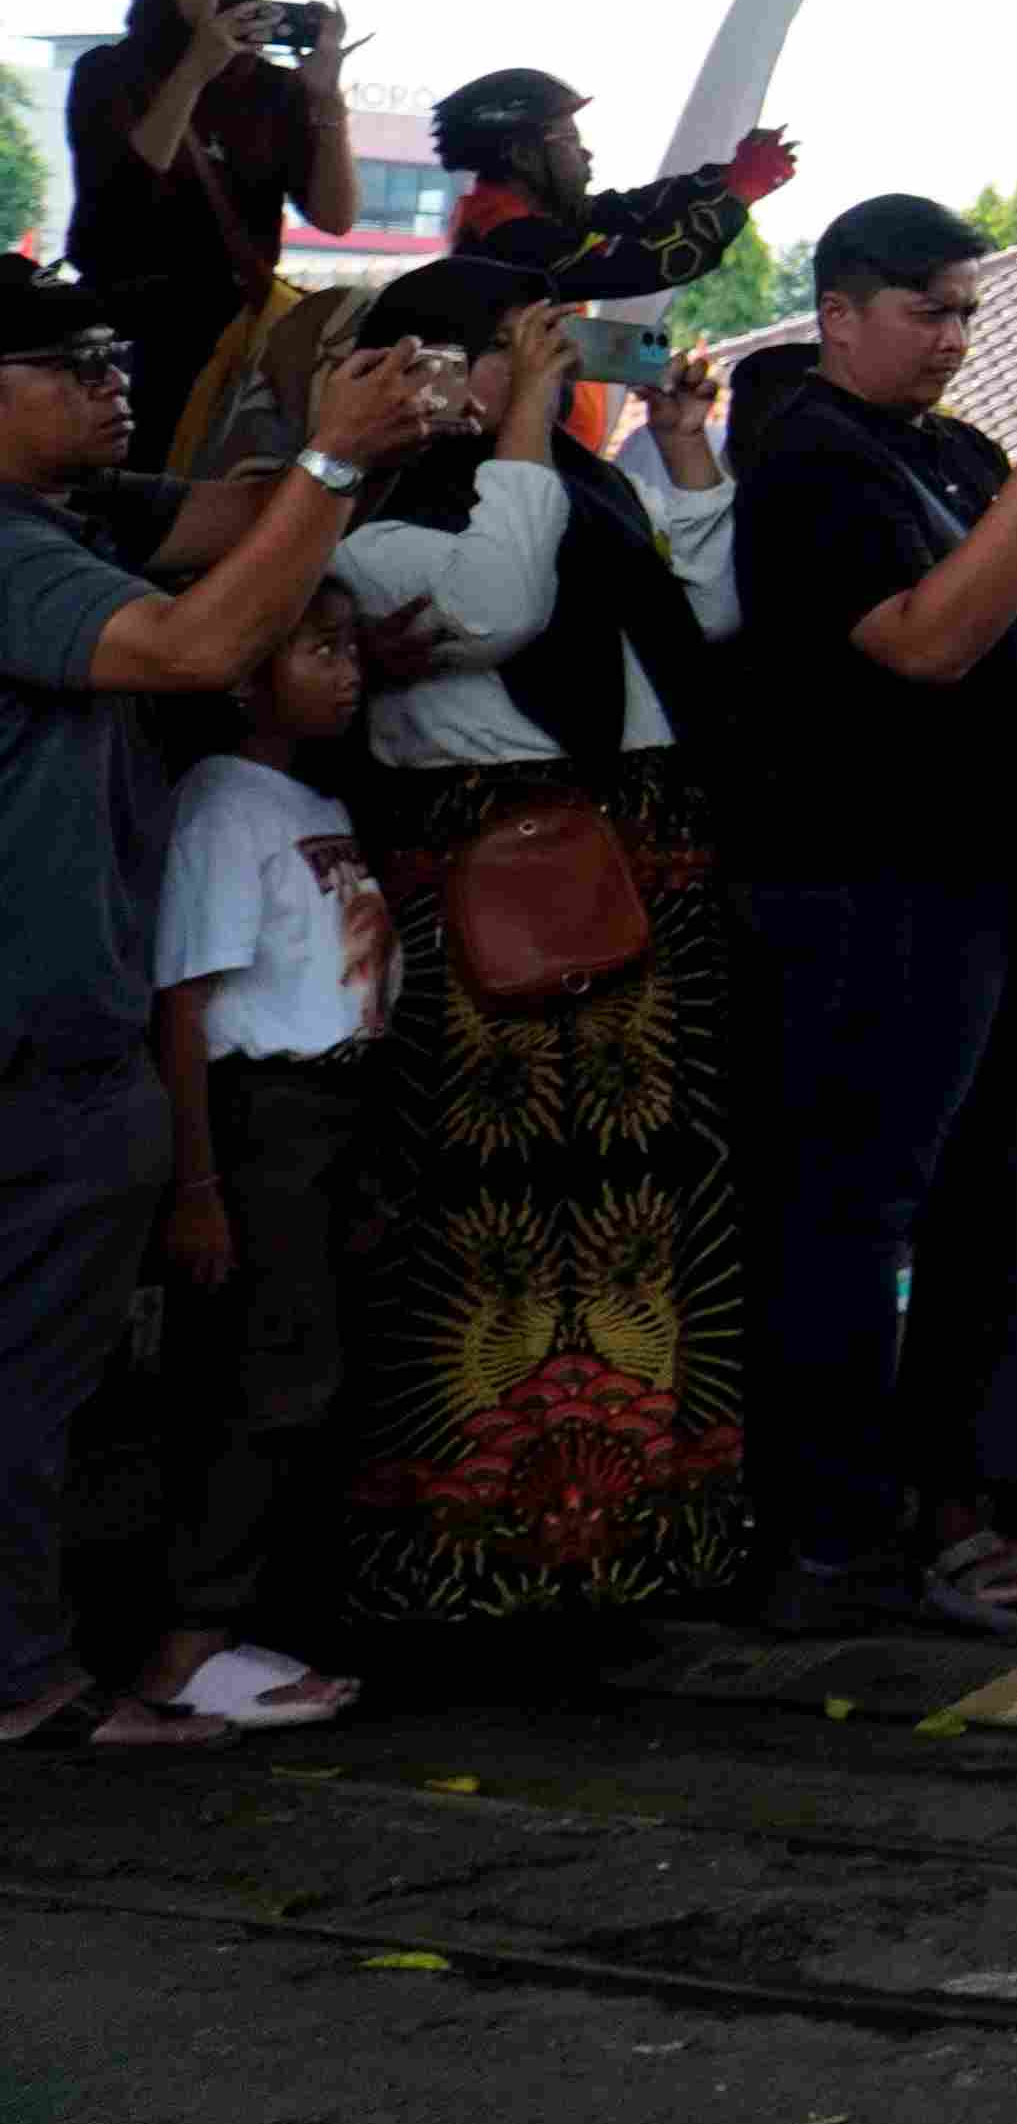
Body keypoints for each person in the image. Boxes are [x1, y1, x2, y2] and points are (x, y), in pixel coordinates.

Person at [0, 266, 419, 1753]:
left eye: (116, 351)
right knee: (33, 1384)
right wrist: (330, 461)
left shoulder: (79, 519)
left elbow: (246, 525)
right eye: (70, 362)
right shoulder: (10, 555)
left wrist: (373, 426)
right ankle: (31, 1681)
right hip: (36, 1045)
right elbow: (192, 643)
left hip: (69, 1037)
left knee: (57, 1378)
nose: (113, 382)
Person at [318, 266, 766, 1634]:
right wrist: (514, 422)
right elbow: (502, 605)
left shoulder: (582, 477)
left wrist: (679, 453)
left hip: (636, 866)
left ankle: (630, 1544)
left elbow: (701, 623)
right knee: (494, 1225)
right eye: (531, 345)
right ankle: (474, 1559)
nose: (556, 365)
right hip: (492, 888)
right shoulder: (374, 508)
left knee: (640, 1211)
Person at [725, 192, 1017, 1632]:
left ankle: (933, 1506)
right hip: (855, 879)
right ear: (839, 313)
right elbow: (925, 641)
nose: (952, 340)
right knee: (851, 1218)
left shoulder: (953, 455)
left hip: (972, 873)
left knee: (962, 1215)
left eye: (968, 311)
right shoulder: (810, 462)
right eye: (926, 312)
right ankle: (827, 1539)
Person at [131, 577, 387, 1732]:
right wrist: (198, 1186)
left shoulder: (300, 796)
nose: (347, 669)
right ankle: (188, 1646)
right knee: (262, 1380)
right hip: (260, 1119)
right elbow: (184, 1003)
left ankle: (238, 1624)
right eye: (316, 648)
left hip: (331, 1110)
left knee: (306, 1371)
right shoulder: (222, 806)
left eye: (350, 647)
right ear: (241, 675)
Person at [62, 0, 357, 467]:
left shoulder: (276, 90)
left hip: (237, 337)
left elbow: (335, 217)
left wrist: (326, 99)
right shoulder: (107, 73)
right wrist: (198, 68)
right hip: (130, 341)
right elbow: (122, 197)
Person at [423, 67, 790, 305]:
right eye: (568, 140)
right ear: (521, 154)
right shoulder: (509, 241)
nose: (585, 154)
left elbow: (632, 209)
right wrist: (738, 195)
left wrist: (726, 177)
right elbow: (641, 263)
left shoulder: (525, 216)